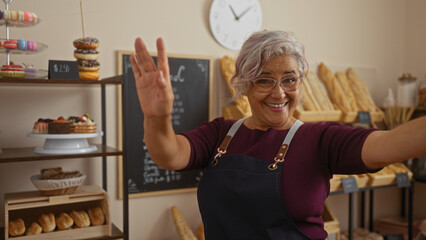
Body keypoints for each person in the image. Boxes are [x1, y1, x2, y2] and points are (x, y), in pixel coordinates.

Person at [130, 30, 426, 240]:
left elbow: (388, 144)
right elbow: (169, 154)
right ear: (243, 86)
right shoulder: (221, 134)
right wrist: (158, 117)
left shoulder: (318, 140)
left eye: (289, 80)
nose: (279, 92)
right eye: (264, 80)